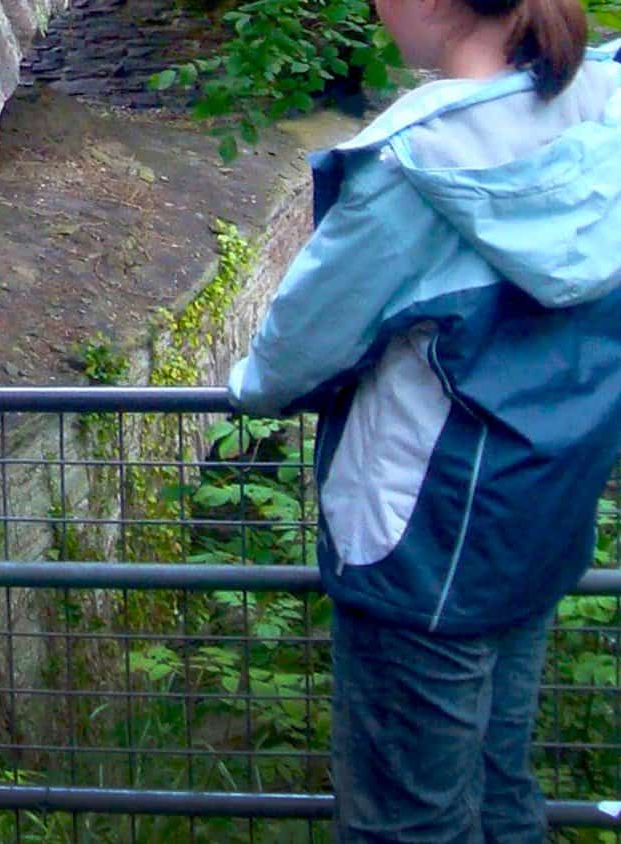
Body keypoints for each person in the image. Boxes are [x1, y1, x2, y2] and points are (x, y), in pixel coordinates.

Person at [228, 3, 618, 839]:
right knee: (501, 790)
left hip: (421, 541)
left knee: (405, 823)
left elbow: (293, 352)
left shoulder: (415, 163)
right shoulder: (600, 103)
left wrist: (252, 385)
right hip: (537, 522)